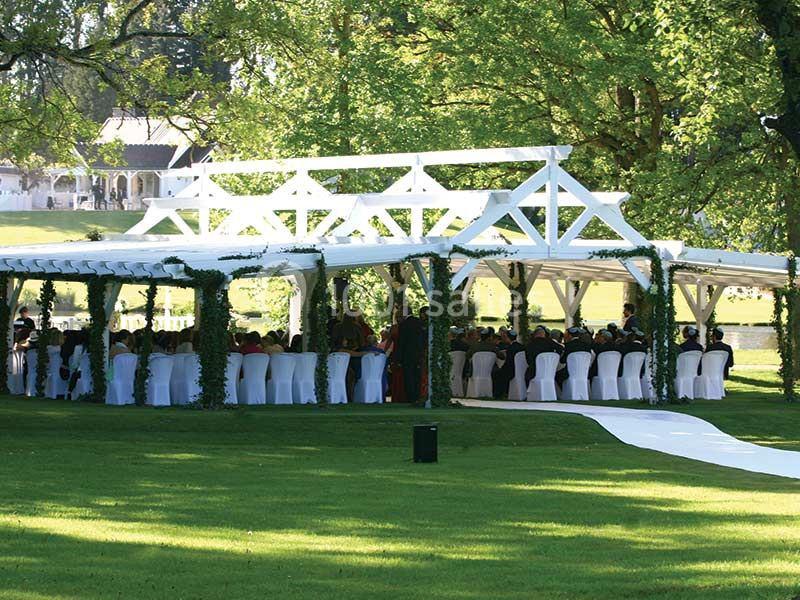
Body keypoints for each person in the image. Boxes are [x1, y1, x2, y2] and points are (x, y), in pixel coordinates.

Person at [396, 307, 425, 404]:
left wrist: (399, 358)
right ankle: (417, 396)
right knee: (417, 375)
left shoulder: (404, 325)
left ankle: (411, 397)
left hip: (407, 354)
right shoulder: (419, 322)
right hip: (419, 353)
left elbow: (401, 343)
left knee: (409, 376)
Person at [493, 330, 523, 398]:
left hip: (512, 370)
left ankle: (499, 394)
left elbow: (508, 363)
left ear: (508, 338)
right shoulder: (521, 346)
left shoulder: (510, 348)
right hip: (521, 370)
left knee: (497, 374)